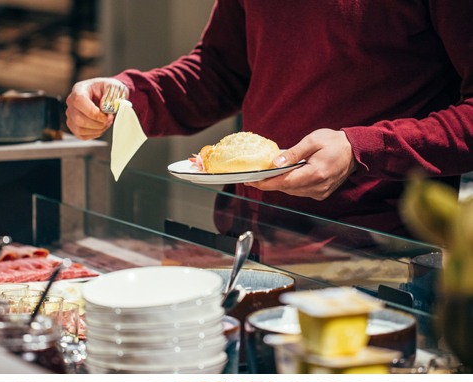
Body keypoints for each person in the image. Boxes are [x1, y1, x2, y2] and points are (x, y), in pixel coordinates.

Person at [65, 1, 473, 237]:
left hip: (377, 256)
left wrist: (360, 149)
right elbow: (221, 68)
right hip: (245, 239)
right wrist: (127, 97)